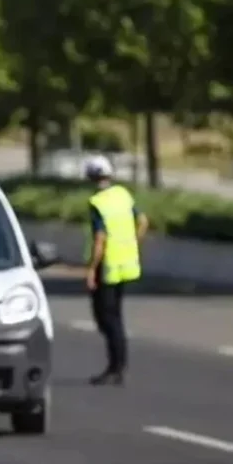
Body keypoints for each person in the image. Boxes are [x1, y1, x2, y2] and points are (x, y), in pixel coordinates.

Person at [84, 155, 148, 386]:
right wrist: (132, 244)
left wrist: (91, 269)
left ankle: (116, 367)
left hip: (108, 266)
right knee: (115, 317)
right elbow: (143, 221)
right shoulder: (122, 194)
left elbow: (99, 239)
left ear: (90, 177)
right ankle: (118, 365)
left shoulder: (97, 202)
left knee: (107, 318)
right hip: (126, 263)